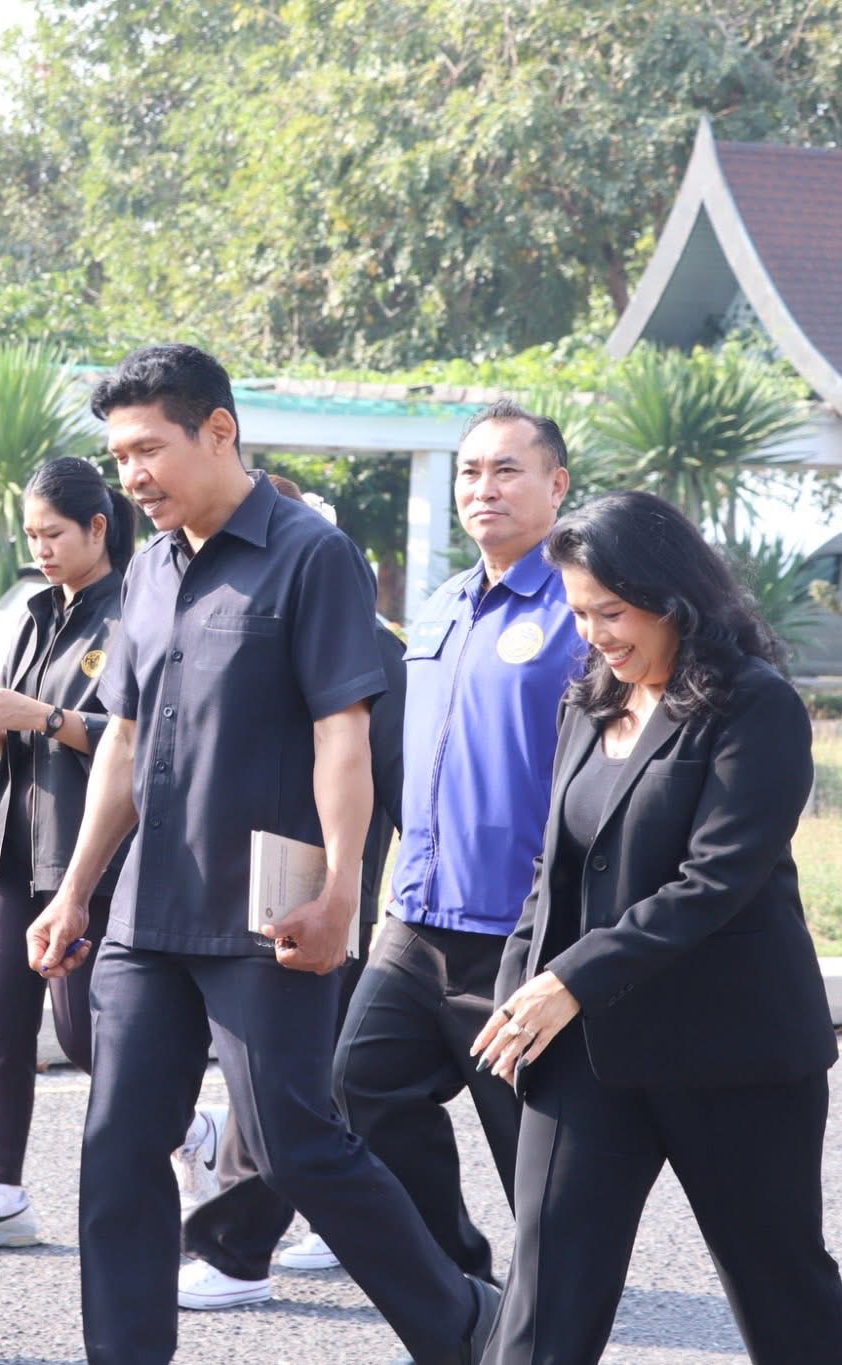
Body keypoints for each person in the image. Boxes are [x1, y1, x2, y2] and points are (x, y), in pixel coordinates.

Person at [30, 344, 498, 1365]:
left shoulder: (307, 555)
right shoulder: (146, 570)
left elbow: (342, 733)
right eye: (118, 455)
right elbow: (121, 737)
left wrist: (341, 888)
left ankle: (463, 1324)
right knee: (116, 1150)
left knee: (294, 1142)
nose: (133, 475)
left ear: (219, 431)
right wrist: (74, 892)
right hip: (146, 913)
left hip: (265, 907)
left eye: (149, 448)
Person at [472, 490, 842, 1364]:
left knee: (779, 1285)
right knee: (544, 1299)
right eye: (579, 613)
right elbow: (553, 869)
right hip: (584, 1056)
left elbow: (716, 878)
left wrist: (570, 979)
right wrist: (519, 992)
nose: (596, 634)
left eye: (612, 610)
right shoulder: (589, 700)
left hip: (732, 1053)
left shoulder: (755, 705)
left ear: (672, 594)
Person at [306, 399, 580, 1289]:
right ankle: (461, 1282)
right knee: (362, 1085)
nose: (484, 487)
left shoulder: (583, 610)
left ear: (556, 484)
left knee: (532, 1154)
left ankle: (548, 1326)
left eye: (507, 469)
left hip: (523, 930)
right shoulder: (439, 607)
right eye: (470, 471)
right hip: (417, 915)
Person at [175, 616, 403, 1308]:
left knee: (290, 1086)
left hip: (311, 892)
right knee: (317, 1082)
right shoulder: (213, 620)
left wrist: (345, 892)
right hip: (227, 880)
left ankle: (240, 1249)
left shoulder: (367, 641)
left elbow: (387, 778)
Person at [0, 455, 135, 1248]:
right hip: (11, 847)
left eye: (54, 533)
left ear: (98, 527)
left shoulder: (130, 614)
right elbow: (17, 740)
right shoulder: (32, 612)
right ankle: (0, 1188)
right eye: (32, 536)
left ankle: (187, 1130)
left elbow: (134, 740)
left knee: (87, 1031)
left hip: (84, 853)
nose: (43, 548)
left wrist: (45, 715)